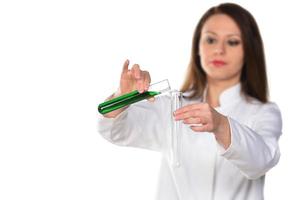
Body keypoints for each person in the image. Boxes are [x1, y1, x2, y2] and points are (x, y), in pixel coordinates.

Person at [98, 3, 282, 200]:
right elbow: (115, 131)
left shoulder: (264, 112)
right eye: (210, 39)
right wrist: (124, 97)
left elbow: (261, 162)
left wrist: (221, 125)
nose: (219, 50)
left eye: (233, 42)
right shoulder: (172, 106)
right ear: (198, 48)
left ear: (249, 50)